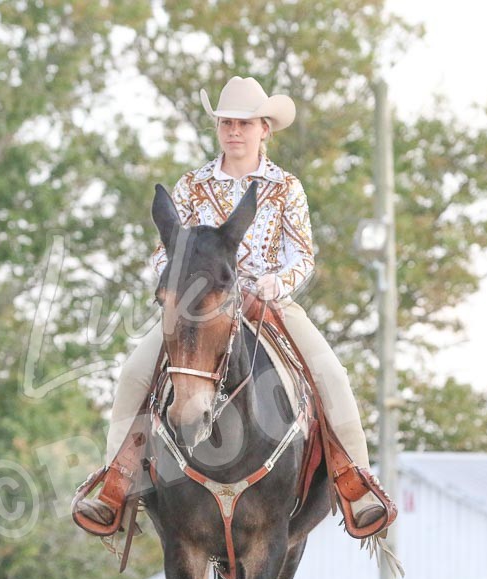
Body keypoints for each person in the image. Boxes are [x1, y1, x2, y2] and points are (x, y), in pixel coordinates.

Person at [73, 75, 389, 538]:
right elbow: (166, 252)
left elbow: (303, 256)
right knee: (134, 374)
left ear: (265, 129)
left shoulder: (285, 187)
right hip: (199, 311)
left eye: (244, 123)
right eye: (226, 123)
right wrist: (184, 286)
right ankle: (116, 480)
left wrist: (276, 281)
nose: (234, 131)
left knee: (331, 375)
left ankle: (354, 480)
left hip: (267, 304)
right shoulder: (192, 185)